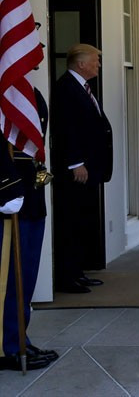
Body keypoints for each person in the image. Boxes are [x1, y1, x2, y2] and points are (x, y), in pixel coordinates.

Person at [0, 86, 59, 371]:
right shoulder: (5, 86)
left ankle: (19, 336)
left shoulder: (28, 91)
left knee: (26, 273)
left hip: (30, 191)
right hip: (9, 193)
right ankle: (6, 345)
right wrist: (6, 186)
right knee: (9, 275)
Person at [51, 43, 112, 294]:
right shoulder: (66, 87)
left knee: (82, 221)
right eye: (96, 60)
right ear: (81, 63)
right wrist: (76, 162)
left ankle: (77, 271)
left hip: (90, 167)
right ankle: (67, 277)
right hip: (77, 169)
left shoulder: (83, 87)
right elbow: (66, 128)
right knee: (70, 222)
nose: (98, 64)